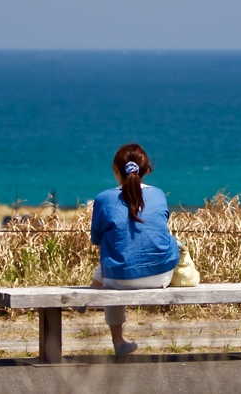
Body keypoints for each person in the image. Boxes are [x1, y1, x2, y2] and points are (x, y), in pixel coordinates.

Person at [90, 143, 179, 356]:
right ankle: (97, 284)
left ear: (115, 170)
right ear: (147, 169)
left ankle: (118, 341)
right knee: (115, 263)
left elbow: (97, 240)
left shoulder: (104, 199)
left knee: (111, 265)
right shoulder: (158, 194)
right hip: (160, 276)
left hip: (119, 278)